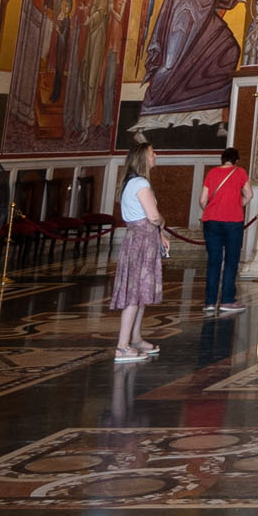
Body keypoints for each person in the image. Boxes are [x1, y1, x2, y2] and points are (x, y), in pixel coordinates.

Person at [111, 139, 164, 364]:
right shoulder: (140, 183)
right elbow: (152, 216)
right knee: (134, 295)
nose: (155, 157)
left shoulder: (132, 182)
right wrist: (162, 222)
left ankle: (135, 338)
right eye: (152, 154)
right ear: (143, 158)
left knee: (140, 292)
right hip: (141, 242)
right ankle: (122, 347)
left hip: (141, 239)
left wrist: (161, 233)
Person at [199, 142, 247, 315]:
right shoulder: (240, 172)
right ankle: (227, 300)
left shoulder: (212, 173)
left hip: (211, 221)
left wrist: (212, 211)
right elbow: (249, 194)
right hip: (233, 221)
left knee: (213, 262)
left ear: (222, 159)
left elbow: (202, 199)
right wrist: (237, 205)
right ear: (236, 161)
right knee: (231, 262)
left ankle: (210, 302)